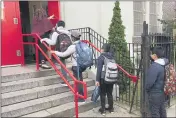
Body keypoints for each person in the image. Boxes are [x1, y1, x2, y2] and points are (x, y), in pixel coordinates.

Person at [50, 30, 87, 103]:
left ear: (73, 38)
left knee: (78, 82)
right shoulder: (82, 44)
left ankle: (81, 98)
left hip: (76, 66)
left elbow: (63, 54)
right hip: (82, 65)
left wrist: (55, 52)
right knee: (80, 81)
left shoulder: (73, 47)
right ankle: (81, 95)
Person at [41, 20, 71, 86]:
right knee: (65, 64)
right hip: (69, 49)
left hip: (61, 50)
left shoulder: (56, 32)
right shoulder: (67, 32)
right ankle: (75, 79)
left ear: (57, 25)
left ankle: (65, 81)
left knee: (63, 65)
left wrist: (45, 39)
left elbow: (52, 43)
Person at [146, 46, 168, 118]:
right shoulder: (164, 63)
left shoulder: (155, 66)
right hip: (162, 92)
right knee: (162, 111)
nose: (150, 55)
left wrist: (147, 89)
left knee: (155, 113)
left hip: (154, 94)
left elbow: (149, 82)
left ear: (155, 56)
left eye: (152, 54)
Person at [96, 43, 115, 115]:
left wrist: (97, 80)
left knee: (103, 94)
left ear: (103, 49)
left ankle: (103, 110)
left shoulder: (101, 57)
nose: (100, 49)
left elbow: (99, 70)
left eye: (101, 48)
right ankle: (111, 109)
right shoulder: (112, 57)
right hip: (111, 78)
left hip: (103, 78)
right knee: (110, 93)